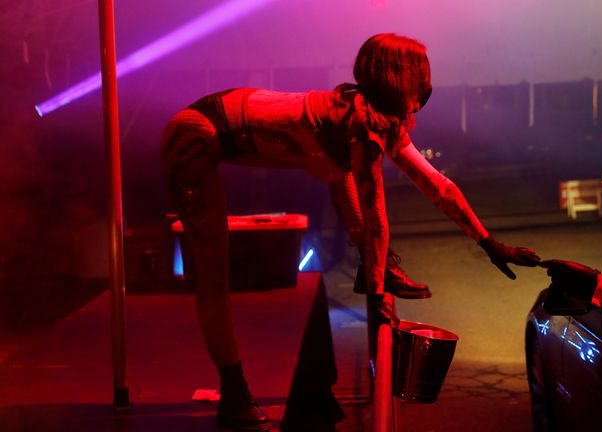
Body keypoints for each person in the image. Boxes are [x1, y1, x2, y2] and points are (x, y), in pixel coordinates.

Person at [161, 33, 540, 431]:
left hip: (231, 117)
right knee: (212, 273)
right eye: (420, 76)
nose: (426, 87)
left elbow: (437, 186)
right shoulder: (359, 122)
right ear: (401, 80)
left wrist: (490, 243)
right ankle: (234, 393)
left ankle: (374, 268)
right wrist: (377, 294)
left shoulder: (371, 118)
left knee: (334, 167)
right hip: (196, 132)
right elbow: (376, 214)